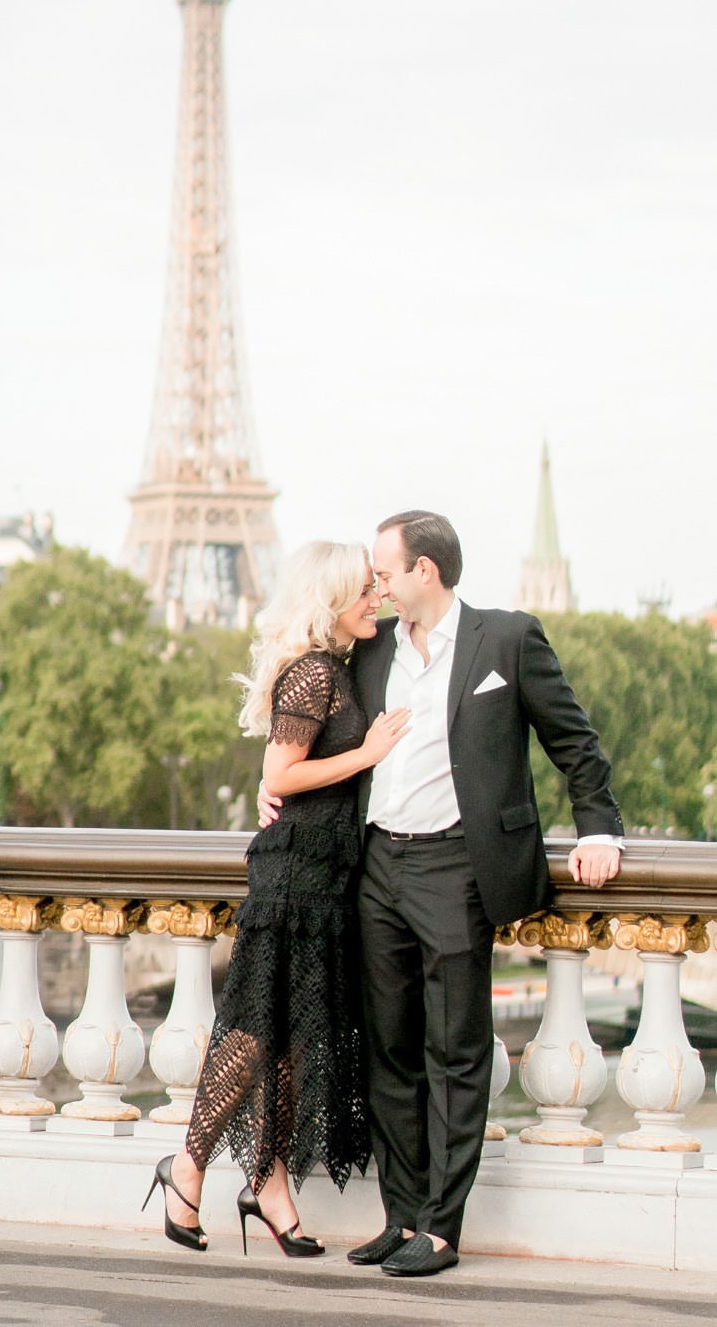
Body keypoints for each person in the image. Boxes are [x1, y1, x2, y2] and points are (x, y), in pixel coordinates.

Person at [259, 509, 622, 1280]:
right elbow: (314, 737)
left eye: (385, 574)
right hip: (375, 867)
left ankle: (440, 1228)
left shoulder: (506, 639)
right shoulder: (370, 650)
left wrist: (599, 831)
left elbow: (574, 742)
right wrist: (274, 793)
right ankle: (399, 1216)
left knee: (454, 1052)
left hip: (458, 869)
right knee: (387, 1050)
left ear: (425, 571)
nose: (377, 587)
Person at [143, 541, 412, 1257]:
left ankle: (267, 1182)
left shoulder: (343, 663)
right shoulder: (313, 673)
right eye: (362, 592)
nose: (374, 601)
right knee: (256, 1029)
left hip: (324, 876)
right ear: (330, 600)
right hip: (292, 875)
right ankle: (188, 1169)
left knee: (289, 1038)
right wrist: (366, 754)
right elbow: (281, 773)